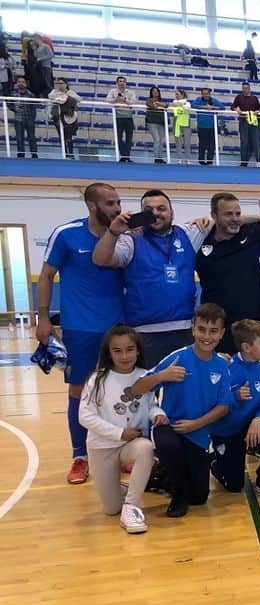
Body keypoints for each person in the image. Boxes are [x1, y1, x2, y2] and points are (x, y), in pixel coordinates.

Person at [38, 183, 125, 484]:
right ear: (92, 206)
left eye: (118, 202)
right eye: (110, 203)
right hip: (80, 328)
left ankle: (119, 450)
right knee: (79, 391)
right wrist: (44, 320)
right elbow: (47, 276)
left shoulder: (125, 236)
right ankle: (80, 456)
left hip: (120, 328)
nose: (117, 208)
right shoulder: (66, 234)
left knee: (118, 390)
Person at [131, 303, 232, 518]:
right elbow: (136, 388)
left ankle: (162, 475)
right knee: (169, 447)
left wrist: (196, 424)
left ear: (222, 334)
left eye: (213, 331)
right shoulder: (178, 358)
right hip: (169, 426)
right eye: (202, 329)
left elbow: (224, 407)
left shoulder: (222, 365)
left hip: (198, 432)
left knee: (199, 497)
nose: (207, 336)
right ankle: (177, 496)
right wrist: (161, 376)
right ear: (193, 329)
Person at [92, 189, 204, 367]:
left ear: (172, 212)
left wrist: (206, 220)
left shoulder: (187, 234)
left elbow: (228, 219)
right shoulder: (130, 240)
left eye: (161, 208)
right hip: (144, 333)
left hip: (184, 330)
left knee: (183, 390)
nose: (156, 214)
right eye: (149, 210)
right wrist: (113, 232)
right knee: (145, 390)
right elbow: (100, 259)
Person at [77, 325, 162, 534]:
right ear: (109, 353)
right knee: (110, 508)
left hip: (132, 445)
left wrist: (158, 414)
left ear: (138, 351)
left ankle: (131, 506)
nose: (125, 356)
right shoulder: (97, 380)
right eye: (117, 351)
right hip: (102, 446)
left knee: (146, 448)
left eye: (130, 349)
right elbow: (84, 416)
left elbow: (151, 404)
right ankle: (122, 490)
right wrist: (119, 433)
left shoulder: (145, 376)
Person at [194, 192, 260, 354]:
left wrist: (259, 218)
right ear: (214, 215)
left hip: (254, 323)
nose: (234, 218)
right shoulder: (199, 241)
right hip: (219, 328)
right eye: (228, 214)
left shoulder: (251, 233)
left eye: (238, 213)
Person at [209, 319, 260, 498]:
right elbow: (212, 403)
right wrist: (234, 396)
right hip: (227, 429)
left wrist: (258, 419)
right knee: (235, 486)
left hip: (251, 423)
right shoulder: (226, 368)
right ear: (247, 347)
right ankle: (217, 464)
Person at [191, 87, 226, 165]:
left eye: (206, 93)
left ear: (209, 94)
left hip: (212, 126)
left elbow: (222, 107)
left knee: (211, 145)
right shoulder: (198, 99)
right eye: (203, 94)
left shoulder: (214, 100)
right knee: (202, 144)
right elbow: (193, 105)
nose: (205, 95)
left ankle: (210, 160)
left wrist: (212, 107)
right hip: (201, 126)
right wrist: (204, 107)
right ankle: (201, 160)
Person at [231, 82, 260, 167]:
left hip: (254, 122)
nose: (244, 90)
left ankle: (259, 162)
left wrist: (258, 111)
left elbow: (259, 108)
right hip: (243, 121)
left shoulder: (254, 98)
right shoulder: (238, 97)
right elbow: (233, 106)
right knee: (244, 142)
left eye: (246, 88)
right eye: (243, 88)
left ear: (249, 89)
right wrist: (236, 108)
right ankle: (243, 162)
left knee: (256, 141)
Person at [106, 76, 136, 162]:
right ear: (117, 83)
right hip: (118, 117)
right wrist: (116, 99)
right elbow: (108, 100)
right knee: (118, 138)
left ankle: (126, 156)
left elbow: (133, 102)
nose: (122, 83)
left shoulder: (130, 92)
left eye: (123, 81)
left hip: (128, 117)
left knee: (129, 138)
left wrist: (124, 100)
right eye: (120, 81)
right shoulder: (113, 91)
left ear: (125, 83)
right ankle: (124, 155)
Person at [47, 77, 79, 158]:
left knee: (69, 135)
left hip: (68, 116)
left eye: (61, 83)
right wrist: (61, 97)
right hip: (57, 116)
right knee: (61, 135)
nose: (60, 85)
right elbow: (50, 96)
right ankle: (65, 154)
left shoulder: (70, 92)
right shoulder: (54, 92)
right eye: (58, 84)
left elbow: (79, 99)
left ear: (66, 84)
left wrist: (66, 97)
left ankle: (71, 154)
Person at [11, 75, 39, 158]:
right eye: (19, 82)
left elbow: (33, 107)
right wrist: (15, 108)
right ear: (17, 83)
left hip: (29, 118)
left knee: (32, 137)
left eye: (23, 82)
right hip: (18, 118)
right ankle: (21, 153)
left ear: (26, 84)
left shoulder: (30, 94)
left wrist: (33, 118)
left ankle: (34, 153)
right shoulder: (13, 94)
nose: (21, 83)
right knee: (19, 137)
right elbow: (9, 105)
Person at [169, 89, 193, 165]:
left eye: (178, 94)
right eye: (176, 94)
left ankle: (188, 159)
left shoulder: (188, 102)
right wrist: (183, 104)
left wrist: (182, 104)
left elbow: (187, 108)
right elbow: (175, 103)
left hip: (186, 124)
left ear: (182, 95)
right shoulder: (174, 102)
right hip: (177, 124)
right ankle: (179, 159)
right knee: (178, 142)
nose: (176, 96)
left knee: (187, 143)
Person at [143, 85, 166, 163]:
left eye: (157, 91)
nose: (155, 93)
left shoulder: (161, 100)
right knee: (157, 139)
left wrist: (159, 104)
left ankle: (160, 157)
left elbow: (166, 105)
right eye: (153, 91)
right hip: (152, 122)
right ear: (151, 93)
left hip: (161, 122)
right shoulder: (149, 100)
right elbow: (151, 105)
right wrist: (159, 105)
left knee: (162, 140)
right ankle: (156, 158)